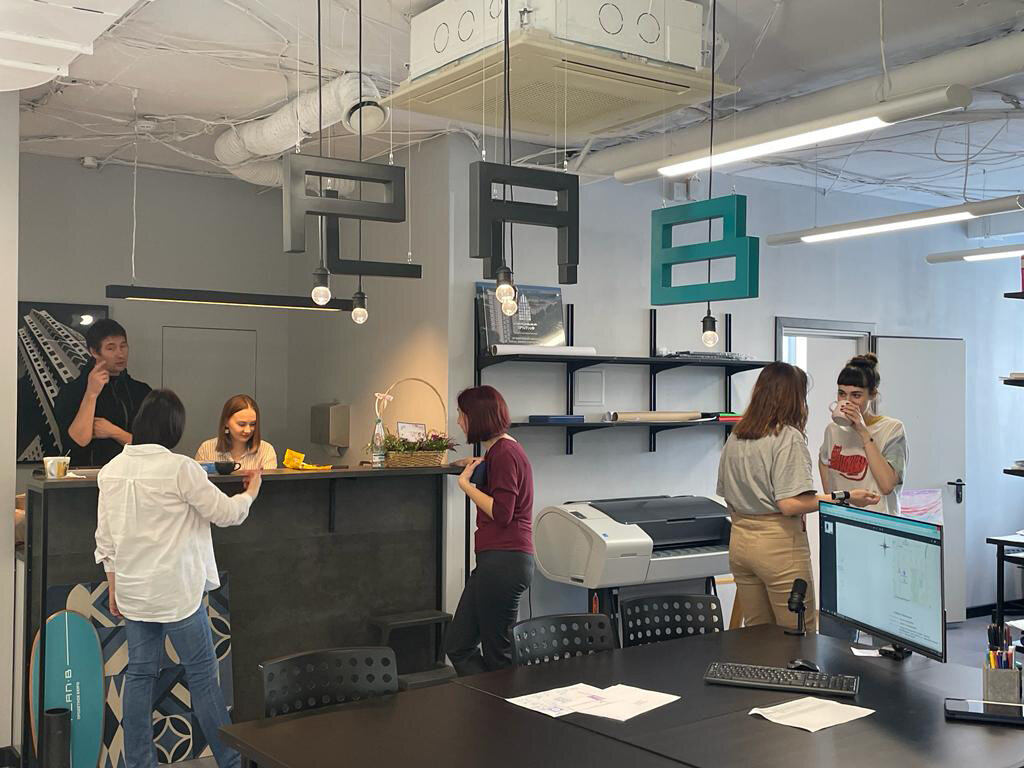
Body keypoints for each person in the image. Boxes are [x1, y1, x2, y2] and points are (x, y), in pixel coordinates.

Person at [95, 389, 261, 768]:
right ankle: (231, 762)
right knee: (202, 676)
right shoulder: (181, 469)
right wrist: (251, 493)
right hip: (176, 594)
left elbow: (105, 538)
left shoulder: (111, 470)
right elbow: (226, 514)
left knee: (140, 676)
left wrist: (113, 584)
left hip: (135, 593)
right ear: (173, 429)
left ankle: (140, 763)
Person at [717, 363, 880, 633]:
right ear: (793, 397)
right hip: (777, 544)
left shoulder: (737, 434)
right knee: (796, 634)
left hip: (741, 542)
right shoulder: (787, 437)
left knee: (758, 634)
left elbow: (726, 494)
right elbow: (790, 504)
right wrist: (846, 496)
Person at [446, 385, 534, 675]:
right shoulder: (499, 451)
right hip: (496, 561)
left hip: (505, 561)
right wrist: (468, 465)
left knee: (499, 656)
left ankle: (503, 700)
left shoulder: (505, 453)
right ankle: (488, 697)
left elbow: (502, 513)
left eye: (461, 414)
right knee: (459, 645)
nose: (459, 421)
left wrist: (466, 486)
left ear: (477, 416)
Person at [54, 318, 151, 467]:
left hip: (132, 474)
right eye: (111, 348)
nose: (120, 354)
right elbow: (76, 443)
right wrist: (91, 393)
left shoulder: (141, 391)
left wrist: (114, 432)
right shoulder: (71, 391)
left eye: (123, 346)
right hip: (87, 475)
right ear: (94, 351)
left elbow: (153, 448)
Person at [820, 353, 908, 517]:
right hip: (842, 517)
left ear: (873, 394)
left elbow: (887, 485)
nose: (847, 401)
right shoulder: (833, 429)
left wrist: (863, 431)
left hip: (878, 520)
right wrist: (832, 502)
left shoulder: (892, 429)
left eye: (856, 395)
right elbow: (824, 461)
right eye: (842, 393)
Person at [195, 394, 277, 470]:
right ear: (226, 422)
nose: (248, 430)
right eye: (241, 424)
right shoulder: (206, 449)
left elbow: (270, 481)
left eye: (253, 424)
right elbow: (197, 480)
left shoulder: (266, 450)